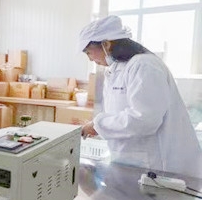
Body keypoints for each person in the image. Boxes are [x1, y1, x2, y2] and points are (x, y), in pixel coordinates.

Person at [78, 15, 202, 177]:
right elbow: (120, 113)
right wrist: (100, 126)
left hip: (158, 165)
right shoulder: (117, 69)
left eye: (89, 52)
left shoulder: (144, 66)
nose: (90, 59)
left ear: (106, 44)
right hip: (133, 161)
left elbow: (144, 119)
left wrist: (98, 124)